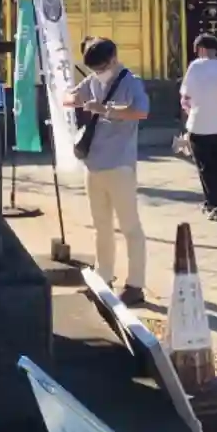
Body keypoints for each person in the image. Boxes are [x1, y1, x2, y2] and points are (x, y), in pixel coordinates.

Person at [65, 38, 150, 306]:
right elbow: (69, 97)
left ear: (113, 59)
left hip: (120, 164)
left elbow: (141, 111)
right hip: (94, 163)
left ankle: (135, 284)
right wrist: (76, 100)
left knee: (129, 226)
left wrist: (105, 109)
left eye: (101, 67)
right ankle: (103, 277)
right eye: (94, 69)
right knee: (101, 225)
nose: (98, 72)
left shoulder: (131, 82)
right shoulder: (91, 80)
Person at [180, 32, 217, 221]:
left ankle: (213, 204)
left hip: (198, 122)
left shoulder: (195, 67)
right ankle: (213, 202)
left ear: (201, 49)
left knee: (204, 166)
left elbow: (186, 95)